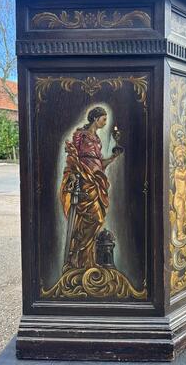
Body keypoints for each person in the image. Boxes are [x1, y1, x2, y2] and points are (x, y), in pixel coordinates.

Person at [60, 107, 120, 271]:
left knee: (97, 219)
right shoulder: (81, 134)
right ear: (95, 118)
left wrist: (114, 157)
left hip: (97, 180)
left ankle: (86, 260)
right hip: (84, 179)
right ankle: (78, 257)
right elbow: (73, 156)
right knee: (92, 219)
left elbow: (100, 163)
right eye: (103, 118)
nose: (105, 122)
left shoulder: (98, 140)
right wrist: (72, 173)